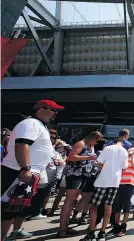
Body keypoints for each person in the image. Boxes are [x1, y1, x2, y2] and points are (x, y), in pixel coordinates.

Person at [1, 100, 64, 241]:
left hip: (25, 173)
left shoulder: (39, 125)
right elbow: (22, 144)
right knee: (7, 209)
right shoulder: (32, 124)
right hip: (17, 172)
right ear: (41, 109)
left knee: (14, 209)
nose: (56, 113)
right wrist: (25, 168)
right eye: (54, 110)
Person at [81, 139, 128, 241]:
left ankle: (92, 232)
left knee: (94, 205)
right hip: (115, 181)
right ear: (122, 143)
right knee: (108, 206)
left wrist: (103, 168)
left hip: (102, 181)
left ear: (114, 142)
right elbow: (124, 168)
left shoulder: (107, 148)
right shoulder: (124, 151)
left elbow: (99, 163)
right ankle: (102, 232)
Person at [58, 131, 103, 238]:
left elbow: (90, 162)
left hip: (84, 175)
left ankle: (65, 226)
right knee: (69, 201)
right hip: (75, 174)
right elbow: (71, 157)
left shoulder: (90, 146)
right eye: (97, 140)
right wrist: (88, 158)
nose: (97, 143)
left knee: (72, 201)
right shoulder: (81, 144)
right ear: (93, 138)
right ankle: (62, 230)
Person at [110, 143, 134, 237]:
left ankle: (124, 225)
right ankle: (116, 225)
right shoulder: (124, 158)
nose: (132, 151)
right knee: (117, 206)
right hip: (119, 184)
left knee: (126, 206)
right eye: (131, 149)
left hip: (130, 184)